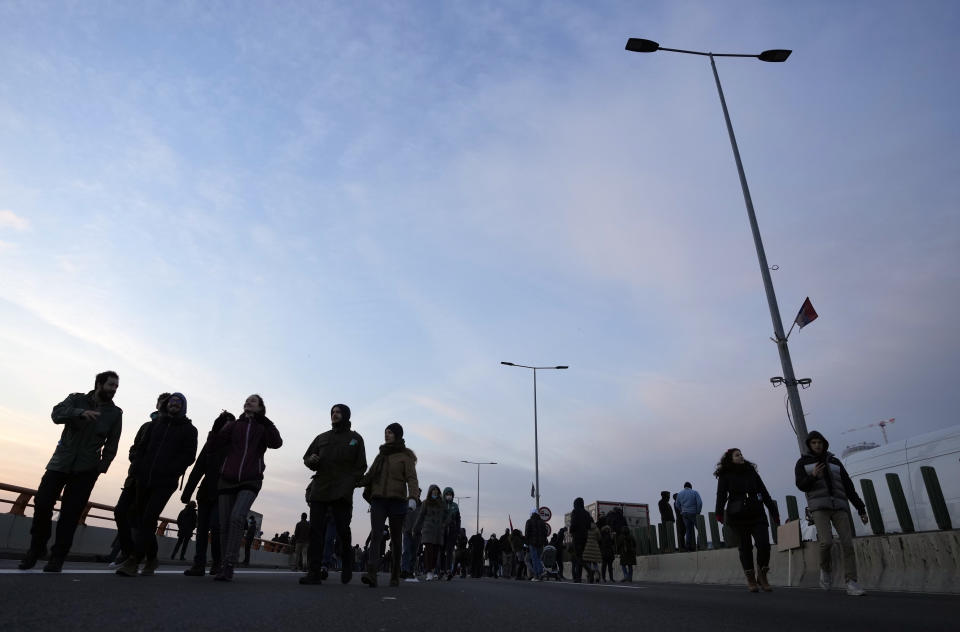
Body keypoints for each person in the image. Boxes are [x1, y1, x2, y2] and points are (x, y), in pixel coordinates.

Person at [19, 371, 123, 572]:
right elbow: (56, 414)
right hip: (59, 463)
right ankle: (36, 549)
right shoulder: (76, 399)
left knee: (70, 513)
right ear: (99, 384)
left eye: (116, 387)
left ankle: (57, 557)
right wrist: (78, 413)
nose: (114, 389)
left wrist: (100, 468)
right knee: (42, 502)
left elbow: (112, 444)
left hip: (86, 469)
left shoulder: (115, 413)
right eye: (111, 385)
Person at [116, 392, 197, 577]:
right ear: (166, 405)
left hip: (165, 482)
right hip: (143, 478)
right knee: (140, 518)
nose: (174, 404)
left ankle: (133, 561)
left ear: (183, 407)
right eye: (172, 402)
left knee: (149, 517)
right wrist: (138, 468)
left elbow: (189, 456)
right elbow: (141, 448)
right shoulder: (155, 425)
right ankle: (151, 558)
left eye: (178, 402)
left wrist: (171, 470)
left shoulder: (189, 430)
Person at [214, 394, 283, 581]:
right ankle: (222, 564)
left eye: (253, 401)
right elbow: (215, 442)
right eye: (246, 400)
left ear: (260, 407)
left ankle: (229, 564)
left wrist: (265, 421)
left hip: (251, 479)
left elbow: (276, 443)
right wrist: (219, 424)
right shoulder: (235, 425)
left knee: (237, 517)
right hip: (227, 479)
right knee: (224, 524)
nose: (248, 402)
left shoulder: (263, 427)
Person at [795, 430, 869, 596]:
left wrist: (861, 508)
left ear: (824, 443)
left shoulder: (835, 462)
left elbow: (848, 486)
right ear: (809, 445)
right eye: (813, 443)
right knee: (826, 542)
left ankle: (851, 582)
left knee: (848, 544)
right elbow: (801, 485)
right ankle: (825, 569)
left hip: (839, 506)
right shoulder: (803, 463)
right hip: (819, 507)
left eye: (819, 442)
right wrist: (813, 476)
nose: (817, 445)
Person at [300, 403, 366, 586]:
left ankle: (347, 564)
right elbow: (307, 457)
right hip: (320, 489)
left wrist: (350, 483)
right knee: (316, 531)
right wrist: (310, 460)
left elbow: (361, 466)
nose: (335, 415)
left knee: (343, 531)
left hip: (342, 492)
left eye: (338, 412)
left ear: (346, 415)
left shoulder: (355, 439)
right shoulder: (322, 438)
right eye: (333, 412)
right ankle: (314, 572)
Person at [358, 422, 420, 588]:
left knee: (396, 539)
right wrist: (352, 481)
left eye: (390, 433)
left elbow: (412, 479)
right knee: (376, 535)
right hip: (378, 500)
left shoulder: (405, 457)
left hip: (397, 502)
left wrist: (413, 497)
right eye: (385, 432)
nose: (387, 435)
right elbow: (369, 476)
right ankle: (372, 574)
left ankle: (395, 574)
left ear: (397, 435)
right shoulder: (381, 456)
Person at [112, 394, 167, 566]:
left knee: (144, 519)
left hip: (153, 482)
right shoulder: (146, 426)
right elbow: (135, 448)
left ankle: (148, 556)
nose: (164, 405)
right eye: (162, 402)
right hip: (134, 478)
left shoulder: (170, 430)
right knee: (121, 511)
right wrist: (136, 460)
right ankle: (129, 551)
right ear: (157, 404)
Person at [714, 448, 781, 592]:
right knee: (745, 548)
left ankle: (762, 576)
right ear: (730, 459)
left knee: (764, 545)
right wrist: (719, 513)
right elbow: (721, 494)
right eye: (737, 455)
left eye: (741, 454)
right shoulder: (725, 475)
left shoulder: (751, 472)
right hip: (738, 516)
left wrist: (774, 512)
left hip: (757, 513)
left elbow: (764, 492)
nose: (741, 456)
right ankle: (751, 578)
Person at [181, 410, 234, 576]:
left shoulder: (234, 446)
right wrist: (187, 492)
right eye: (225, 423)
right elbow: (198, 468)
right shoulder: (210, 444)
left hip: (224, 493)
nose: (227, 426)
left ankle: (217, 562)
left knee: (216, 528)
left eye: (230, 424)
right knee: (202, 530)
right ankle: (199, 564)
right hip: (205, 492)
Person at [413, 484, 446, 581]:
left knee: (435, 552)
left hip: (438, 531)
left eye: (436, 491)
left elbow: (448, 515)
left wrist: (444, 524)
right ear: (430, 492)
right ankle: (429, 572)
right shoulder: (425, 503)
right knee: (429, 551)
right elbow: (420, 516)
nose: (435, 492)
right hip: (428, 530)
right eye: (433, 490)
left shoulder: (442, 504)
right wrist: (415, 528)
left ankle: (432, 569)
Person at [568, 497, 593, 583]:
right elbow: (589, 526)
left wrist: (571, 530)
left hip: (577, 537)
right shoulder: (586, 513)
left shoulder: (575, 512)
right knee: (581, 556)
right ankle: (579, 577)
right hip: (584, 537)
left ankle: (588, 570)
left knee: (578, 557)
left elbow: (573, 524)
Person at [440, 487, 461, 579]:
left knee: (449, 551)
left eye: (451, 494)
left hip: (452, 531)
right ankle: (440, 570)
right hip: (442, 531)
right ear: (444, 495)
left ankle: (448, 570)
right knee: (441, 551)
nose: (449, 496)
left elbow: (458, 519)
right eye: (447, 494)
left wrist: (458, 530)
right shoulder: (441, 505)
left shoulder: (455, 506)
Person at [676, 482, 703, 551]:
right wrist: (698, 511)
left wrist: (682, 510)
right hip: (693, 512)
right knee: (700, 529)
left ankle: (688, 546)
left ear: (684, 486)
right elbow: (699, 503)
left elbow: (677, 505)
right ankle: (699, 545)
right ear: (690, 486)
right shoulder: (695, 492)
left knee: (688, 530)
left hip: (684, 514)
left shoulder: (680, 494)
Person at [524, 509, 548, 581]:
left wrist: (526, 543)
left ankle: (537, 575)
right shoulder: (542, 522)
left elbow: (527, 533)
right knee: (539, 559)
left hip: (532, 543)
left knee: (534, 559)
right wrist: (544, 542)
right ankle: (540, 573)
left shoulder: (529, 521)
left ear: (531, 514)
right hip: (541, 544)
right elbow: (545, 533)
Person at [400, 498, 421, 579]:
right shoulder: (406, 503)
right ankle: (404, 570)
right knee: (406, 550)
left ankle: (411, 571)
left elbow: (423, 518)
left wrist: (420, 529)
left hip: (417, 533)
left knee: (414, 553)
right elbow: (402, 517)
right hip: (407, 531)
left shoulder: (421, 505)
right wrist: (403, 529)